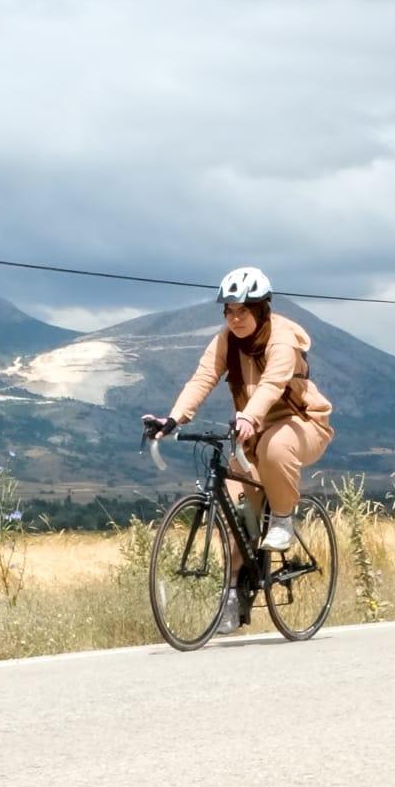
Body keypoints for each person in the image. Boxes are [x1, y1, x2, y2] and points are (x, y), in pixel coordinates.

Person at [146, 266, 334, 635]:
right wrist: (173, 419)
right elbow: (202, 378)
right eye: (229, 311)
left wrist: (248, 415)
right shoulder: (226, 340)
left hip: (303, 424)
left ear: (262, 309)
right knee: (234, 511)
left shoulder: (283, 339)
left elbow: (272, 382)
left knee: (277, 449)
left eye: (242, 311)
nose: (235, 319)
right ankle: (232, 594)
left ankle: (282, 518)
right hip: (253, 431)